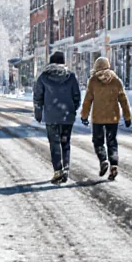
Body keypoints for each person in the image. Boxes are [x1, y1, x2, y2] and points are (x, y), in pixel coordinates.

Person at [33, 51, 81, 185]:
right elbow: (76, 95)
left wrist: (39, 112)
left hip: (51, 116)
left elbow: (38, 97)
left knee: (54, 143)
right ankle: (66, 168)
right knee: (65, 143)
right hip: (67, 116)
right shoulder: (70, 76)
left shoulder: (43, 77)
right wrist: (72, 108)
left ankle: (58, 171)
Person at [81, 56, 132, 180]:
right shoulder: (116, 81)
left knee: (98, 141)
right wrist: (127, 116)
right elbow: (123, 100)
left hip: (98, 118)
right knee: (112, 142)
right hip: (112, 117)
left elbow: (88, 100)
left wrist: (84, 115)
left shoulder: (93, 81)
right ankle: (113, 165)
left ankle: (103, 160)